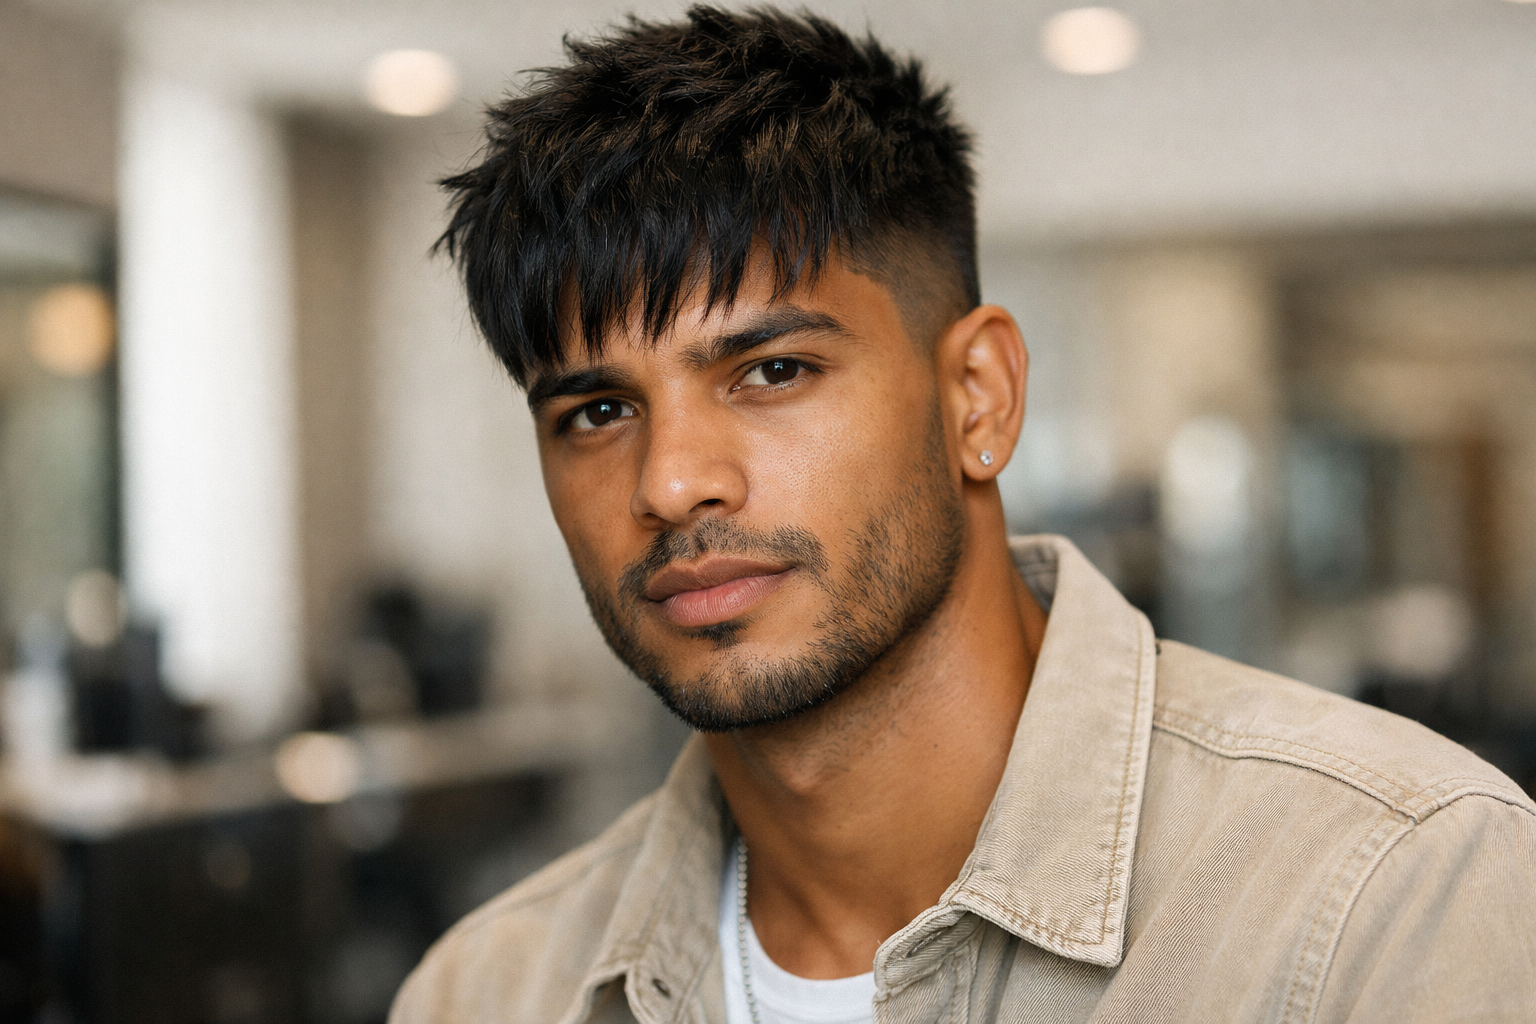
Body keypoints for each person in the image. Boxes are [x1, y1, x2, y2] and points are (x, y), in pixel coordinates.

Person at [389, 7, 1536, 1023]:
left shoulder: (1392, 891)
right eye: (595, 410)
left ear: (976, 396)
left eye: (772, 371)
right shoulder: (487, 991)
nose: (671, 482)